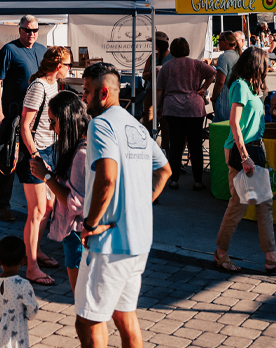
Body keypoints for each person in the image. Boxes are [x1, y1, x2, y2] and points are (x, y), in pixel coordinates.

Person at [75, 62, 171, 348]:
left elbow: (107, 178)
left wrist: (90, 223)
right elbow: (164, 171)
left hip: (109, 242)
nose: (84, 98)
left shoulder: (101, 124)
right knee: (124, 316)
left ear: (103, 93)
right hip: (139, 239)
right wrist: (139, 204)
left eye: (87, 92)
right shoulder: (136, 126)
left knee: (88, 320)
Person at [214, 47, 276, 273]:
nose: (268, 68)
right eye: (265, 64)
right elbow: (235, 123)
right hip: (241, 152)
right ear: (256, 65)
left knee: (264, 203)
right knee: (238, 205)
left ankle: (271, 256)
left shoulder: (252, 88)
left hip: (254, 149)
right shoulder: (240, 86)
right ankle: (221, 253)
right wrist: (244, 156)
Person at [18, 46, 70, 286]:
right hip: (36, 154)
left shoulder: (52, 85)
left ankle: (35, 252)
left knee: (48, 206)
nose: (70, 69)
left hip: (49, 151)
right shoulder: (38, 86)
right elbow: (25, 125)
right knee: (37, 210)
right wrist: (35, 155)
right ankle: (31, 267)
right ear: (59, 67)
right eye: (68, 65)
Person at [30, 91, 91, 293]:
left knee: (82, 300)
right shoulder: (77, 148)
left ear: (67, 121)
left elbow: (75, 202)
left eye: (53, 121)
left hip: (77, 232)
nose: (51, 127)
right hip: (74, 232)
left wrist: (46, 177)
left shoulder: (81, 154)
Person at [0, 15, 47, 222]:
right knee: (9, 159)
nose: (31, 33)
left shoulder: (42, 50)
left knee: (31, 158)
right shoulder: (9, 50)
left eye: (34, 30)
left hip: (35, 118)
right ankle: (3, 205)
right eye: (27, 30)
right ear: (20, 30)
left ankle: (32, 204)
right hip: (13, 116)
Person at [157, 37, 216, 191]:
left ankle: (174, 180)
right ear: (187, 49)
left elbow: (159, 90)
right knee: (195, 144)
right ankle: (198, 181)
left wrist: (158, 107)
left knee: (175, 145)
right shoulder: (196, 64)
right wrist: (204, 87)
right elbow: (212, 73)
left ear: (173, 50)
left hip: (173, 108)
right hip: (194, 107)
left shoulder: (166, 66)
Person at [0, 236, 38, 348]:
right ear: (24, 260)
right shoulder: (23, 285)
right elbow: (32, 310)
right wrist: (24, 314)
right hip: (14, 330)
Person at [141, 31, 172, 156]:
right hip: (151, 91)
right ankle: (148, 151)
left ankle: (166, 153)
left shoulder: (171, 57)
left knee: (166, 124)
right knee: (148, 121)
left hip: (166, 93)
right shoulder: (152, 57)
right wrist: (152, 73)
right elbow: (144, 75)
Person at [212, 31, 241, 122]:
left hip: (224, 100)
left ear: (226, 42)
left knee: (221, 130)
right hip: (235, 98)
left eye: (219, 40)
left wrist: (213, 98)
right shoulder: (238, 56)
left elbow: (220, 82)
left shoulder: (224, 57)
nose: (218, 43)